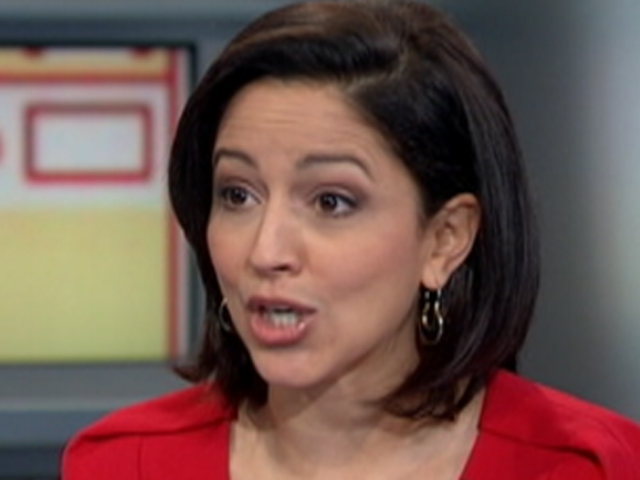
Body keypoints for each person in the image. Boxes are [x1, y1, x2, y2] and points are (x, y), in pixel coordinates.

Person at [62, 1, 640, 479]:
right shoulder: (123, 463)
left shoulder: (589, 465)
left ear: (445, 239)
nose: (265, 253)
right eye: (238, 195)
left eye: (331, 202)